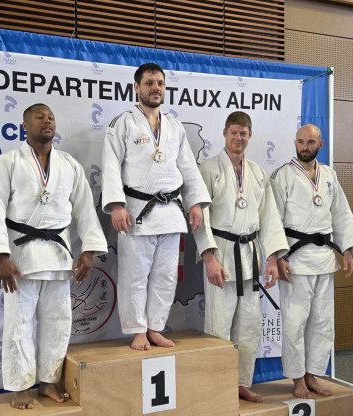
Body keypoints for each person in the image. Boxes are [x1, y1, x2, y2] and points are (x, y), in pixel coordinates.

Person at [0, 103, 107, 410]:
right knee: (19, 324)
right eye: (39, 117)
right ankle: (21, 386)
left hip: (58, 255)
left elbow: (85, 210)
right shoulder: (7, 162)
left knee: (58, 322)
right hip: (20, 258)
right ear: (25, 126)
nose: (47, 121)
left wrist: (88, 250)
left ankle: (49, 381)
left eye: (50, 117)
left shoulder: (69, 165)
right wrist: (0, 257)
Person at [101, 63, 211, 351]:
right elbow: (111, 166)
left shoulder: (174, 126)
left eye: (160, 83)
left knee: (165, 276)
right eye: (149, 83)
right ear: (136, 87)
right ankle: (138, 330)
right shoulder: (122, 123)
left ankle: (155, 328)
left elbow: (188, 167)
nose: (156, 88)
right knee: (134, 276)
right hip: (136, 212)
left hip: (171, 212)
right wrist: (116, 206)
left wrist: (195, 203)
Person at [193, 111, 289, 402]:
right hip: (221, 252)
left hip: (249, 254)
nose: (238, 138)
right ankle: (217, 387)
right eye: (234, 132)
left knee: (249, 325)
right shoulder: (208, 168)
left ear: (250, 136)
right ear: (224, 133)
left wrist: (271, 259)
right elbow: (200, 216)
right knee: (219, 325)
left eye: (243, 134)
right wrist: (208, 257)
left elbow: (269, 217)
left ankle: (241, 383)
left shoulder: (258, 173)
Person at [270, 124, 353, 399]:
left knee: (322, 322)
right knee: (295, 322)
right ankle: (297, 378)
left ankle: (313, 374)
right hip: (295, 259)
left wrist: (347, 249)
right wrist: (279, 256)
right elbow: (272, 219)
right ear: (295, 143)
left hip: (324, 259)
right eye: (300, 142)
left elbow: (341, 213)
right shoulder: (282, 175)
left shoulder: (329, 175)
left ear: (320, 145)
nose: (304, 147)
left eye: (310, 142)